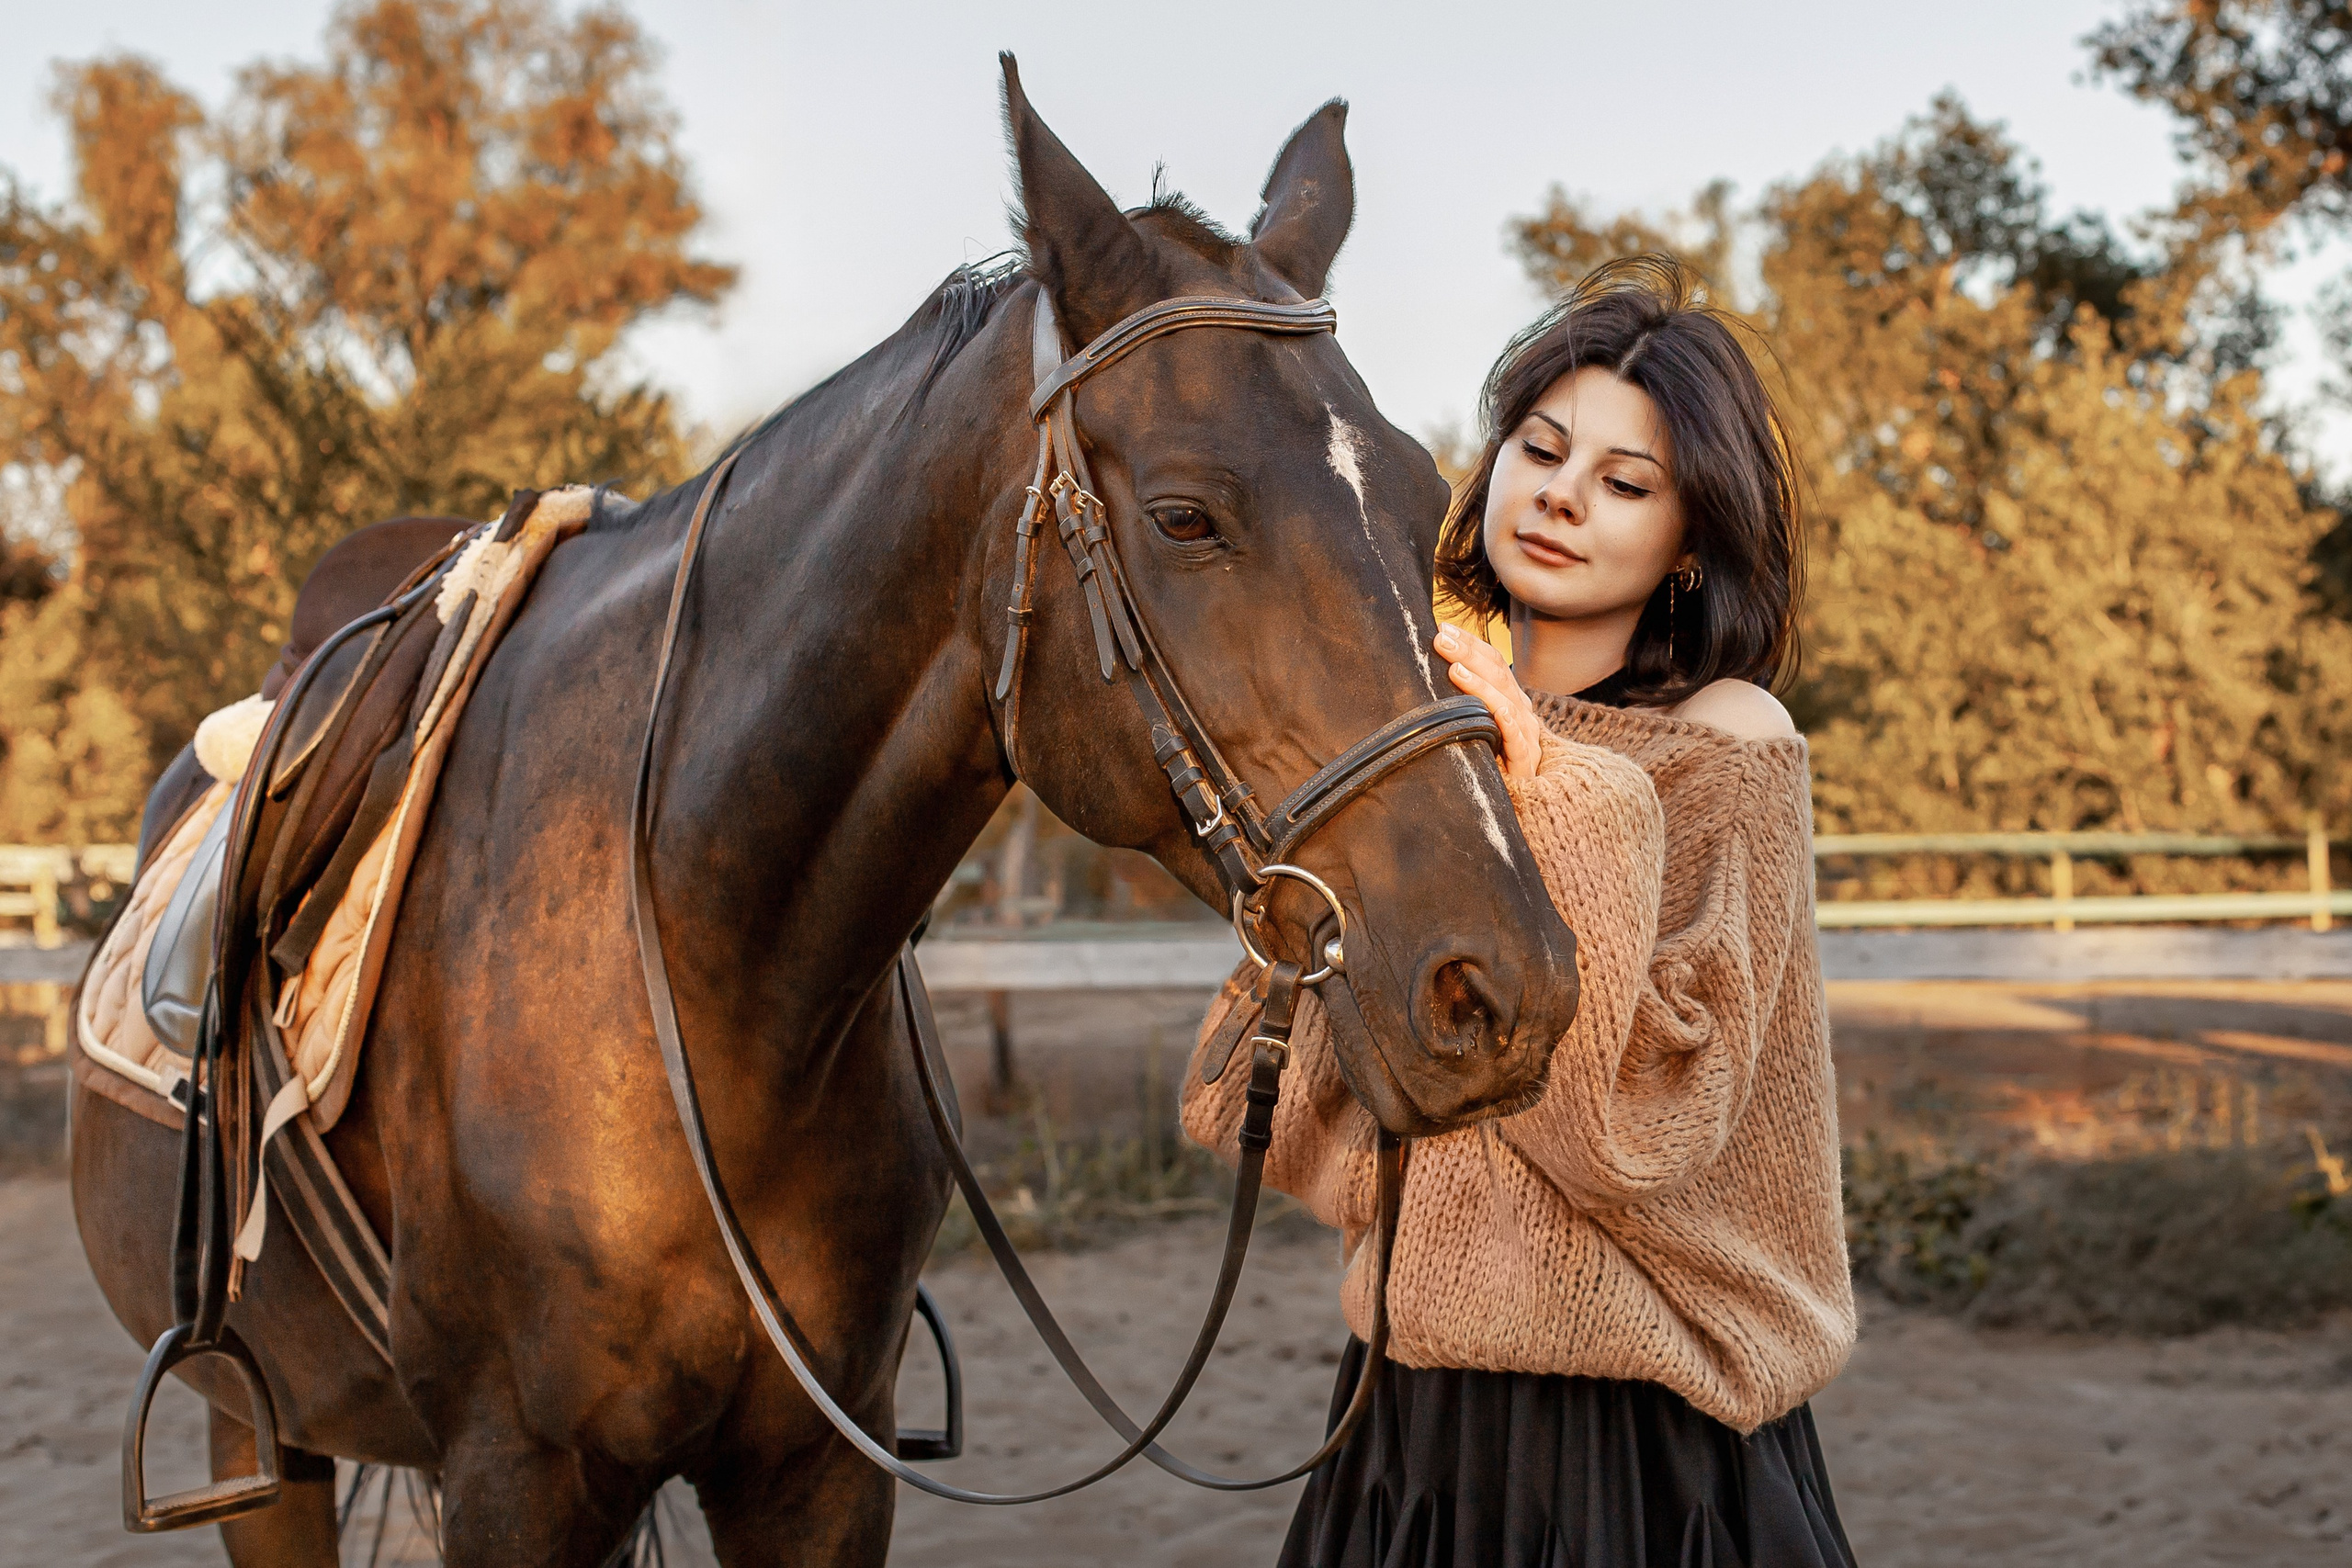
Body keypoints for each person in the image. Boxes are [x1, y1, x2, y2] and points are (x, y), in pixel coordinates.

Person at [1182, 255, 1858, 1568]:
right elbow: (1267, 1124)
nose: (1560, 494)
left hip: (1650, 1442)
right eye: (1539, 449)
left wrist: (1550, 792)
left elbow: (1644, 1132)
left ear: (1690, 541)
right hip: (1408, 1420)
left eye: (1626, 482)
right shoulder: (1413, 757)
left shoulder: (1730, 740)